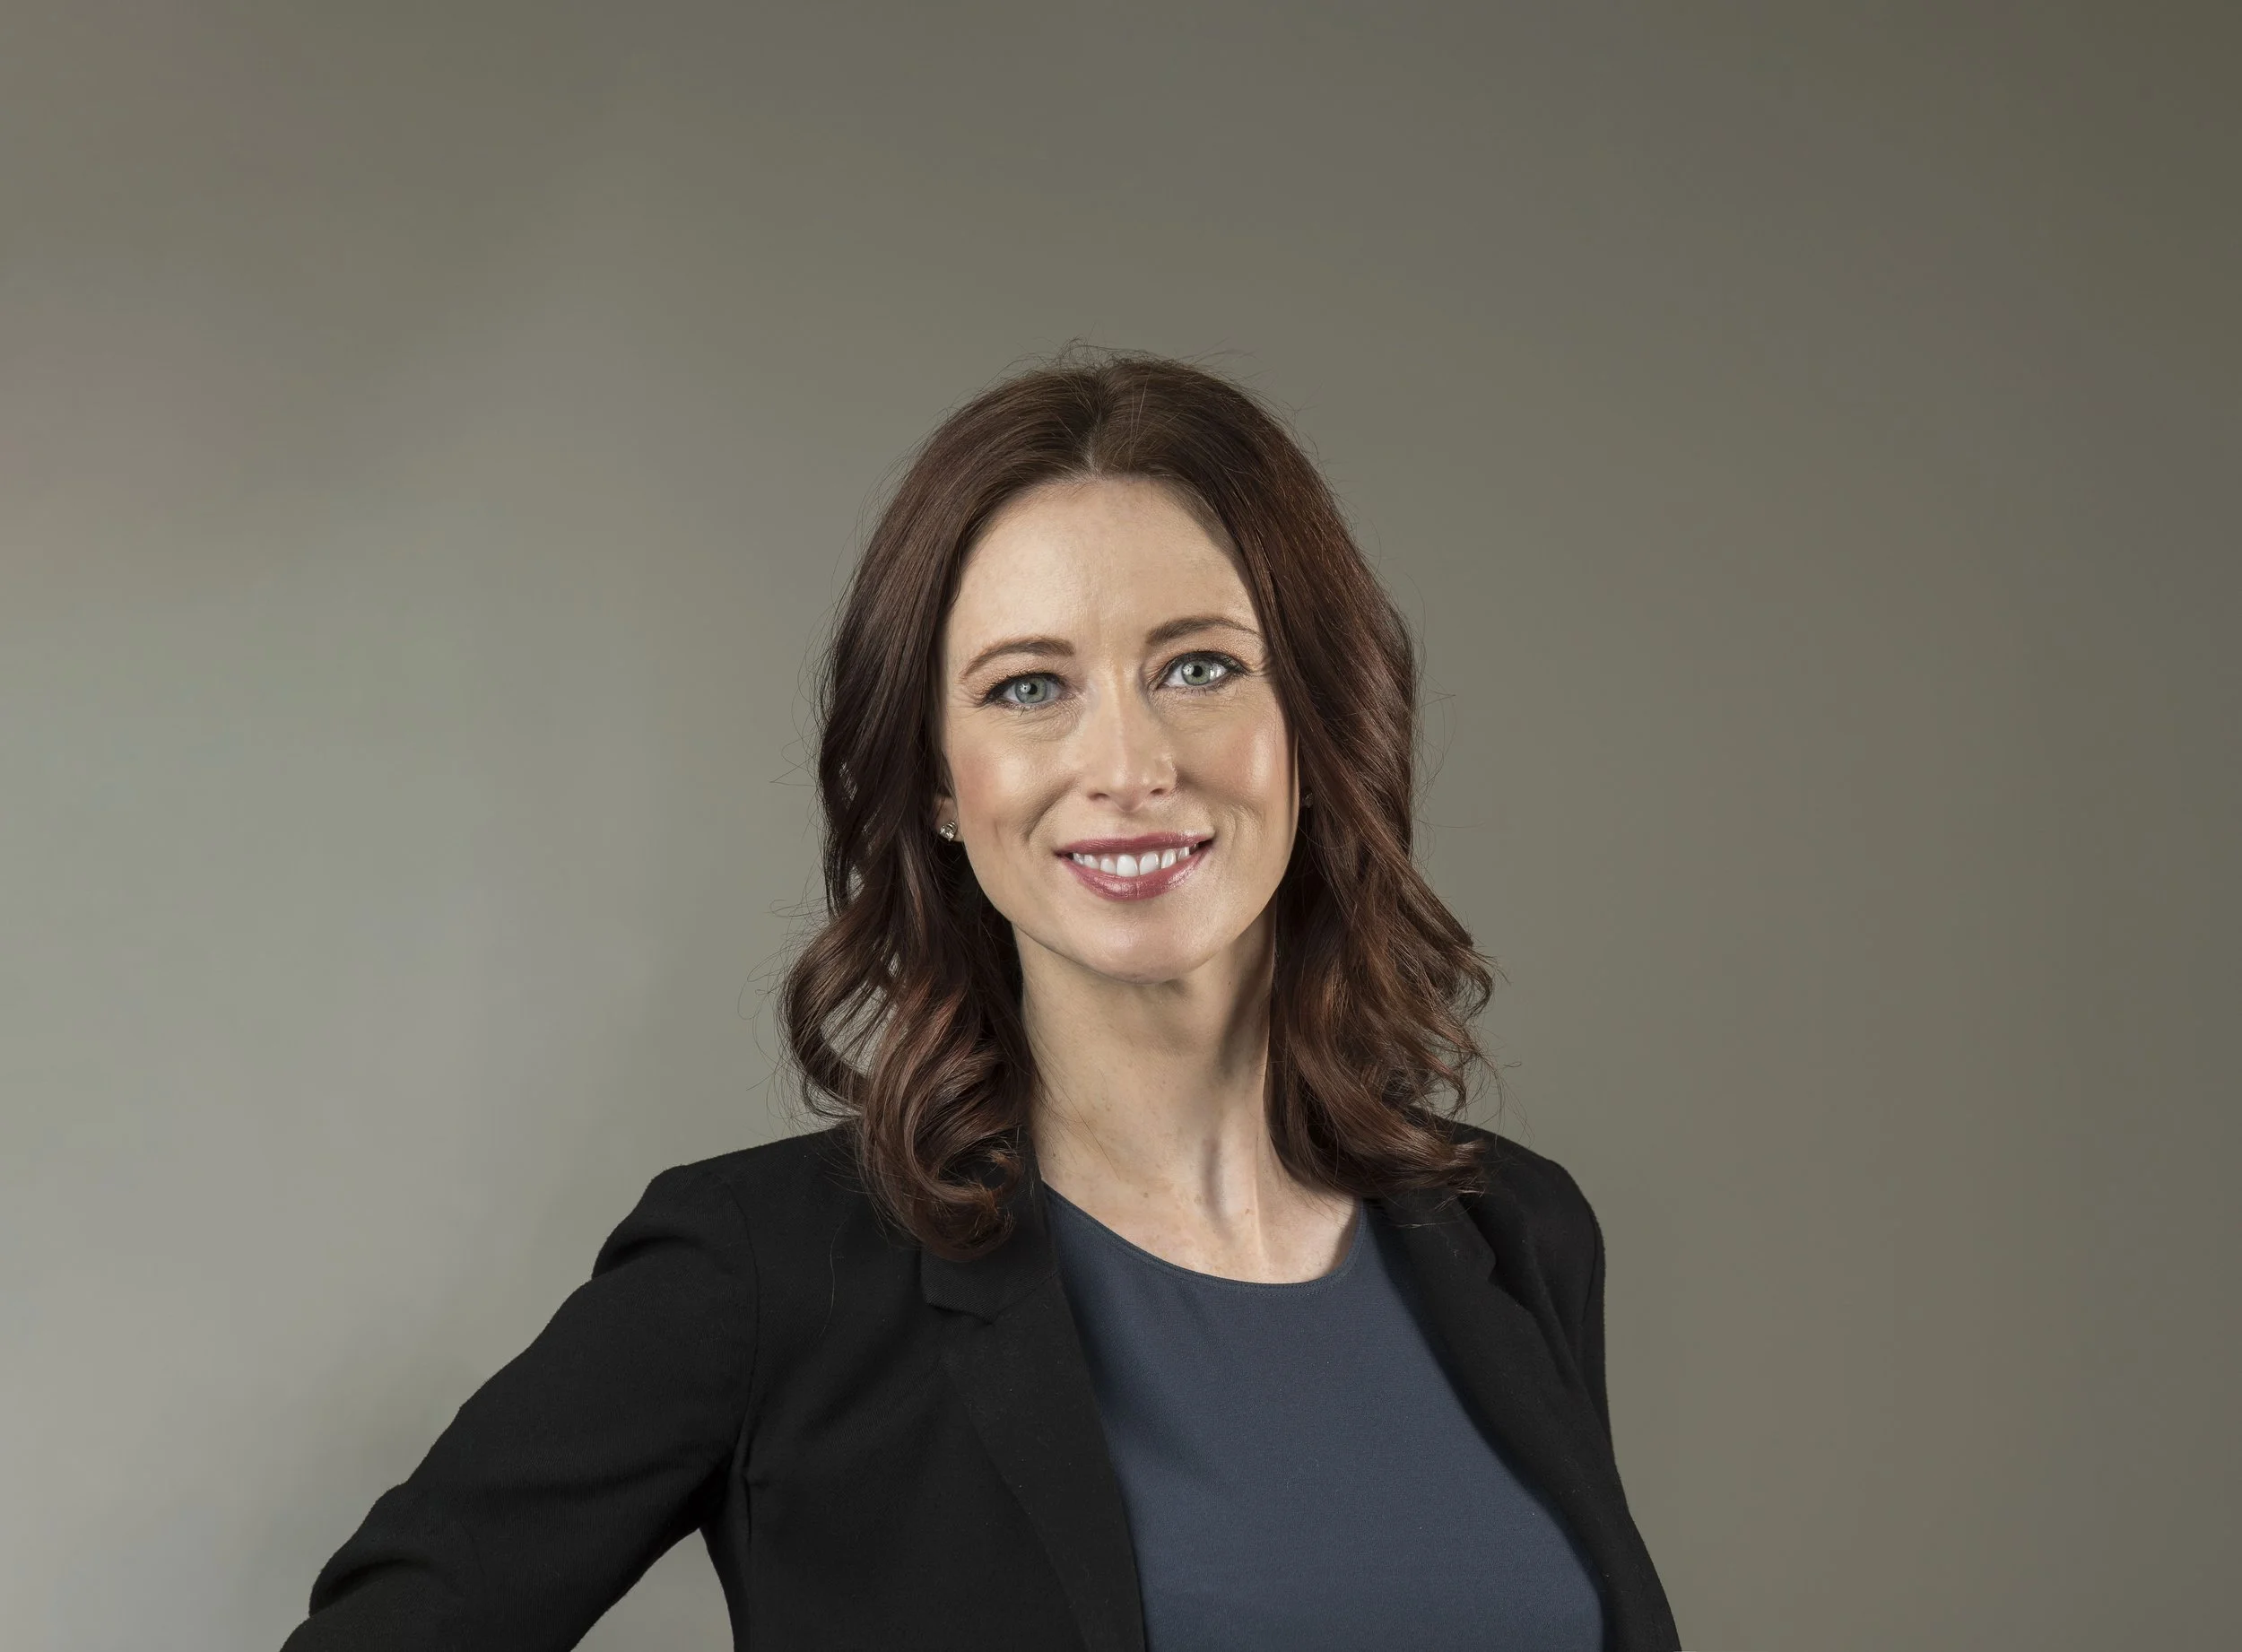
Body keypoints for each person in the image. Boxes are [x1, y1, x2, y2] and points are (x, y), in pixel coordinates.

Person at [280, 351, 1682, 1652]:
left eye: (1198, 666)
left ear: (1313, 718)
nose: (1127, 761)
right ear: (940, 785)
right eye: (1028, 687)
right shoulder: (771, 1275)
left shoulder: (1513, 1233)